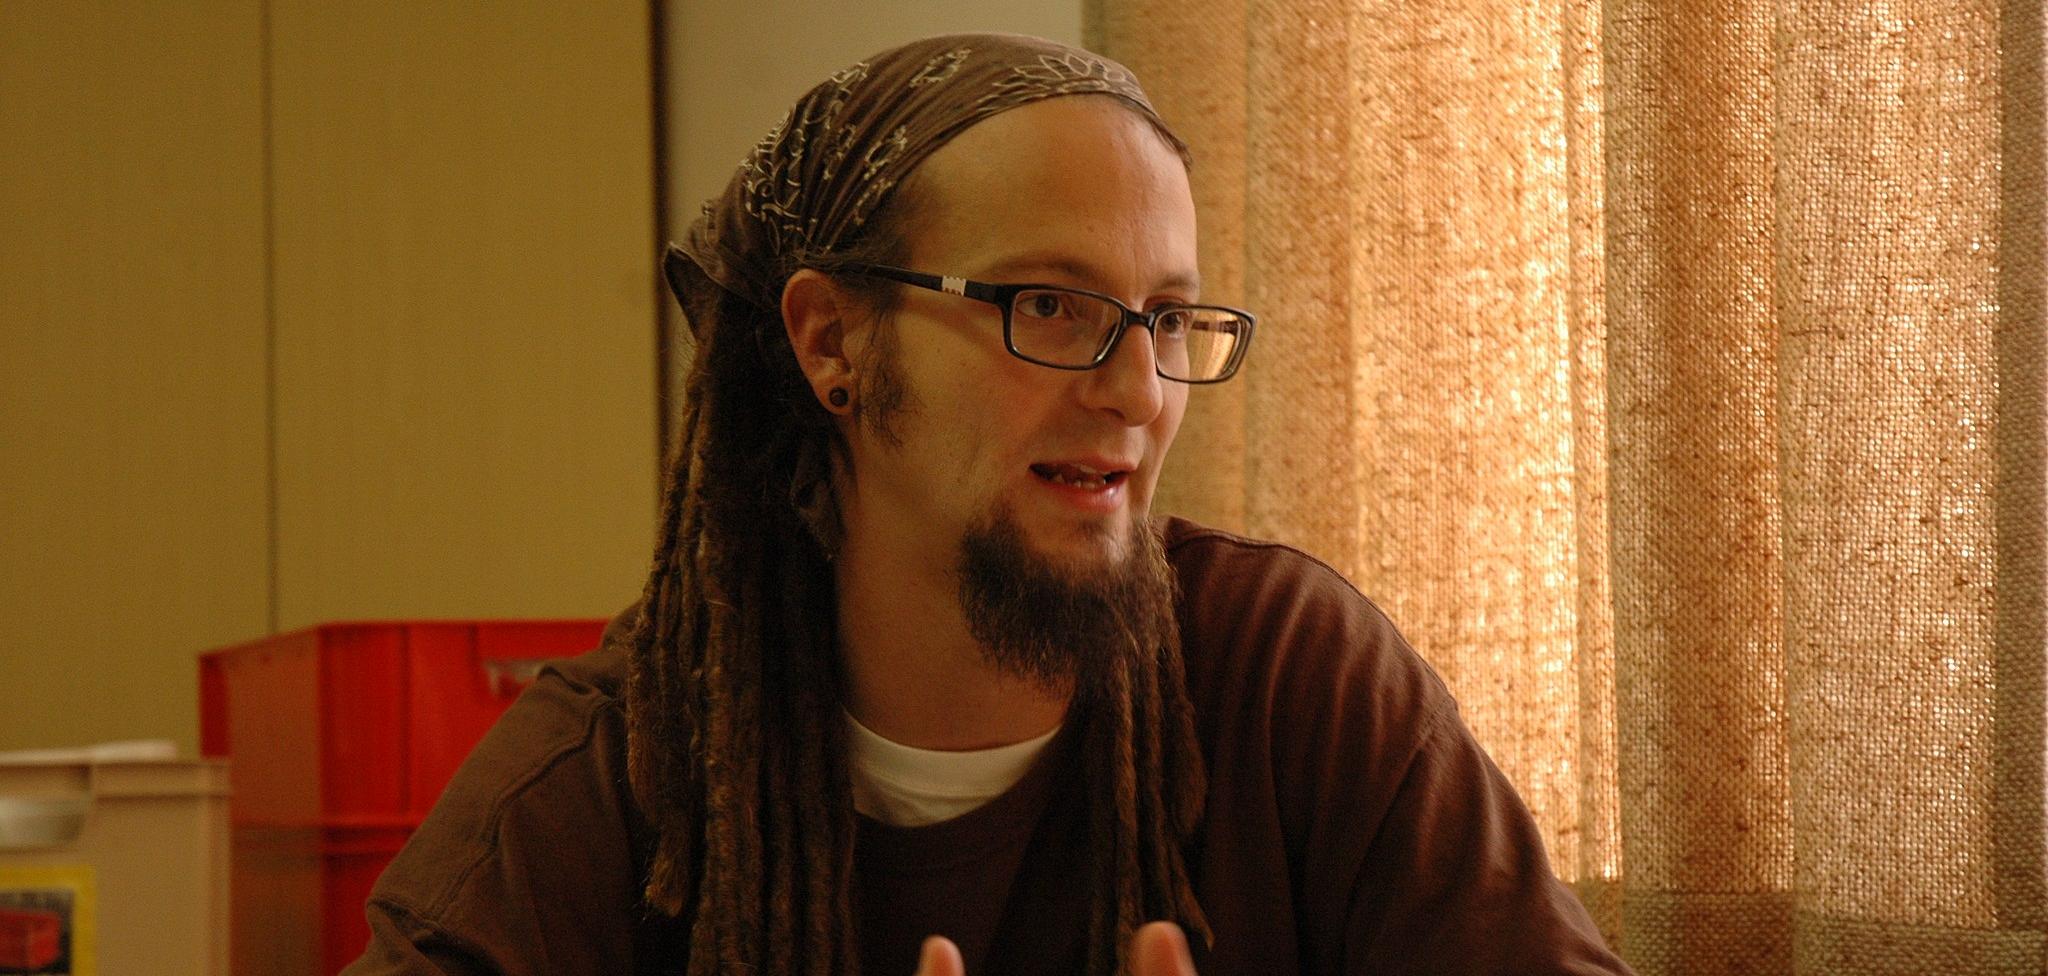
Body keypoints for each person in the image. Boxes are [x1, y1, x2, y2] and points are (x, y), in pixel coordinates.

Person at [342, 33, 1633, 976]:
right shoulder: (613, 783)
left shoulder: (1289, 678)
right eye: (1048, 305)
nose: (1137, 389)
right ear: (832, 342)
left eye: (1169, 317)